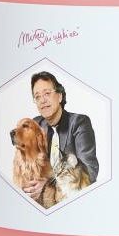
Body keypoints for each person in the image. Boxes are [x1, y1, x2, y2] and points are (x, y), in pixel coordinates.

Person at [23, 71, 99, 200]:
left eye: (47, 93)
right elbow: (27, 165)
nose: (42, 100)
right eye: (37, 96)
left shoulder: (79, 123)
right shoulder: (36, 125)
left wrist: (48, 186)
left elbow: (90, 171)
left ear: (59, 96)